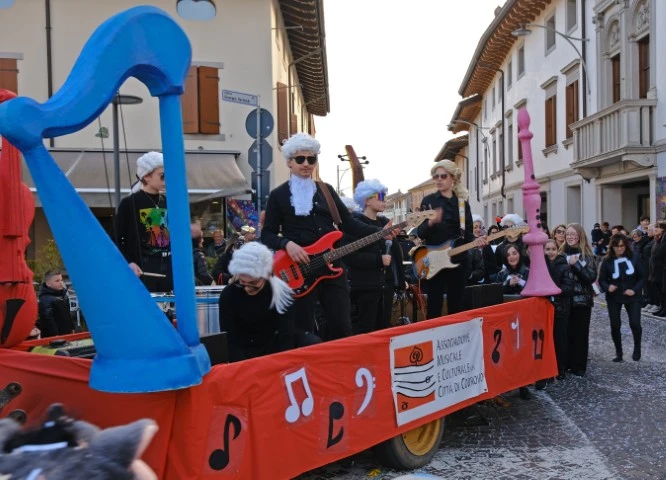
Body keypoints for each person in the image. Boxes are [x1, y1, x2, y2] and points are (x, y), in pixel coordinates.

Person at [261, 133, 387, 339]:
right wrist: (287, 244)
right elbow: (267, 234)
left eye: (311, 159)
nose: (306, 164)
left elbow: (349, 224)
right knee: (303, 330)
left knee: (342, 327)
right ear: (289, 162)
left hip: (332, 266)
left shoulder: (326, 190)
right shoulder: (278, 195)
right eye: (300, 159)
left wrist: (382, 232)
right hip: (299, 269)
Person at [218, 242, 321, 362]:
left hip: (273, 344)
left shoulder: (281, 292)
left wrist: (280, 364)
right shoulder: (229, 294)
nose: (247, 288)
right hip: (245, 346)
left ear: (267, 276)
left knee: (311, 342)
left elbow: (286, 334)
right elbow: (229, 338)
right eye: (242, 283)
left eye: (253, 283)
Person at [416, 160, 486, 318]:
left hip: (459, 261)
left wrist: (478, 242)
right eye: (436, 176)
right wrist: (430, 222)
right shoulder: (428, 202)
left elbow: (468, 236)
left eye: (443, 176)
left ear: (452, 178)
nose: (439, 179)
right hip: (435, 260)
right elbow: (420, 232)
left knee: (457, 306)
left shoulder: (462, 204)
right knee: (434, 306)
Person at [345, 179, 406, 334]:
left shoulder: (385, 222)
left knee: (383, 328)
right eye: (380, 196)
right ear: (367, 200)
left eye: (384, 196)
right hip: (365, 285)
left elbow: (395, 254)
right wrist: (378, 260)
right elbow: (351, 257)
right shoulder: (354, 224)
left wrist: (400, 280)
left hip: (385, 284)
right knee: (365, 329)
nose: (384, 200)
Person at [114, 151, 172, 292]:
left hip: (168, 267)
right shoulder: (129, 203)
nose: (166, 180)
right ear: (146, 176)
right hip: (143, 269)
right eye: (162, 175)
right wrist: (129, 262)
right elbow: (116, 237)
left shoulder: (169, 202)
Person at [598, 233, 644, 362]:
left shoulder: (634, 257)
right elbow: (601, 280)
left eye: (622, 246)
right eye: (617, 246)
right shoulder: (607, 260)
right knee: (615, 325)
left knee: (635, 323)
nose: (619, 249)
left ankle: (637, 348)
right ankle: (619, 353)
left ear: (626, 246)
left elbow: (642, 277)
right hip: (614, 296)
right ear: (612, 246)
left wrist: (634, 290)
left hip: (633, 296)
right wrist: (607, 287)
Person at [561, 223, 597, 376]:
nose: (570, 237)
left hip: (581, 300)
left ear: (580, 236)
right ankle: (566, 363)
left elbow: (590, 277)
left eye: (573, 234)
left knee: (580, 334)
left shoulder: (587, 255)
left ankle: (579, 366)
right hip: (565, 300)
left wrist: (576, 265)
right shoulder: (561, 254)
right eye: (568, 234)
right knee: (566, 333)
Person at [544, 239, 575, 380]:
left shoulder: (564, 267)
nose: (551, 252)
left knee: (560, 340)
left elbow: (569, 288)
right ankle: (548, 370)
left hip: (560, 308)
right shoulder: (541, 265)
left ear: (557, 250)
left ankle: (560, 368)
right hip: (544, 309)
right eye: (548, 249)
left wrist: (554, 290)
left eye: (553, 249)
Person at [37, 270, 74, 337]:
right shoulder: (45, 298)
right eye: (57, 281)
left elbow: (68, 314)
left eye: (61, 280)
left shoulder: (64, 295)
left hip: (67, 333)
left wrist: (72, 328)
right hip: (55, 337)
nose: (61, 282)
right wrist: (54, 335)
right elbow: (47, 319)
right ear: (48, 283)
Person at [472, 214, 498, 283]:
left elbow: (493, 264)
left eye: (480, 227)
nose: (478, 229)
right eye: (475, 227)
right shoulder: (465, 244)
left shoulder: (486, 243)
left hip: (485, 280)